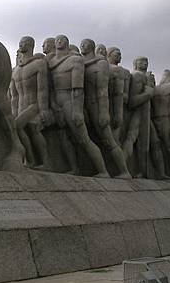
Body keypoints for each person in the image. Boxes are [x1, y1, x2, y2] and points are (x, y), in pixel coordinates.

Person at [48, 35, 109, 177]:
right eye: (57, 39)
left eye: (62, 39)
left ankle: (103, 171)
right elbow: (49, 87)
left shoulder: (75, 60)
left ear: (67, 43)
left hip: (70, 100)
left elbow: (78, 88)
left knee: (83, 138)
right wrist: (53, 103)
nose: (59, 41)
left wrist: (77, 110)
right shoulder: (51, 62)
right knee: (64, 137)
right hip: (58, 102)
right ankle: (74, 168)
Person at [80, 38, 131, 178]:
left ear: (91, 47)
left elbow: (102, 90)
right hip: (86, 106)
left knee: (109, 140)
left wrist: (104, 112)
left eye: (85, 44)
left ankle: (124, 171)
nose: (82, 46)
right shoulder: (81, 63)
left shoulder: (101, 64)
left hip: (98, 105)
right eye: (81, 44)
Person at [9, 36, 50, 168]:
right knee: (28, 129)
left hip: (34, 104)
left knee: (18, 126)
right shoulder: (15, 71)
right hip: (21, 106)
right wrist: (14, 112)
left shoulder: (38, 64)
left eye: (25, 43)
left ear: (31, 45)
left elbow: (42, 89)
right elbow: (14, 96)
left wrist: (43, 109)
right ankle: (31, 160)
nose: (21, 45)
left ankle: (40, 161)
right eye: (20, 43)